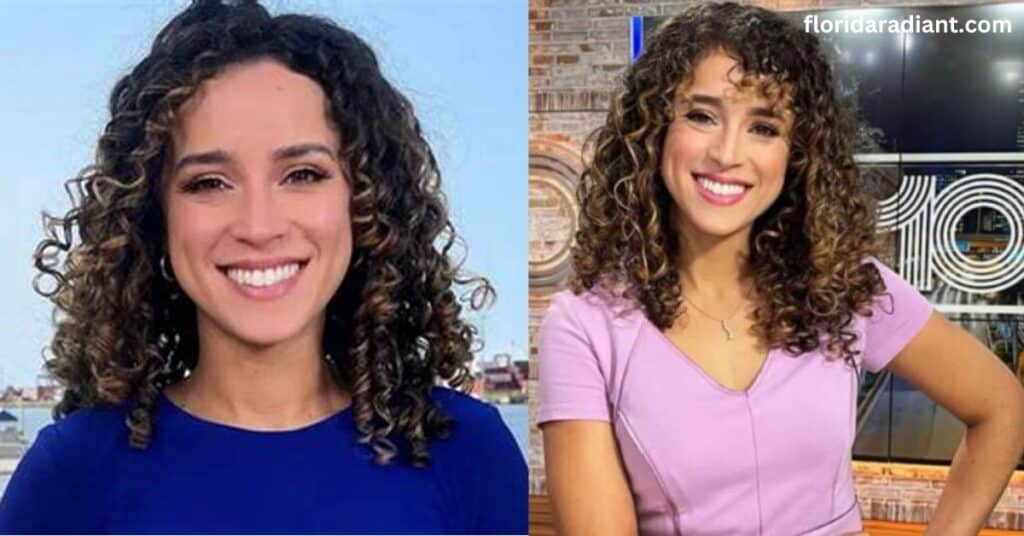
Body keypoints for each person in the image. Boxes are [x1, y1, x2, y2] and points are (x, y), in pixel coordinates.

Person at [0, 1, 526, 533]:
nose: (259, 225)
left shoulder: (468, 452)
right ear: (153, 216)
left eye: (301, 174)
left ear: (366, 202)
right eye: (209, 182)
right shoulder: (71, 472)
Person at [537, 3, 1024, 535]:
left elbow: (1001, 407)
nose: (727, 153)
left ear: (798, 153)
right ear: (654, 130)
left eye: (763, 127)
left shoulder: (848, 286)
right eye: (701, 115)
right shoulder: (584, 326)